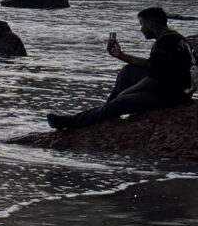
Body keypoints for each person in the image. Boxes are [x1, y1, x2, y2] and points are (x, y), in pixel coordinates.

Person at [47, 7, 193, 132]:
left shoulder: (165, 43)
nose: (141, 29)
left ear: (150, 23)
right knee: (128, 71)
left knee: (120, 102)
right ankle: (107, 109)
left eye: (142, 24)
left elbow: (153, 80)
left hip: (171, 95)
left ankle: (73, 122)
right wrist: (121, 55)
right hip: (175, 87)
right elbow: (151, 65)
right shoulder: (174, 37)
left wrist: (126, 92)